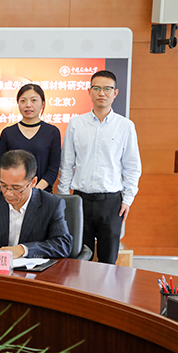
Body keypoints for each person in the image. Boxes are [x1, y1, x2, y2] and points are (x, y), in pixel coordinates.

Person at [58, 70, 142, 265]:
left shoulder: (125, 126)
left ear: (115, 92)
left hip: (111, 202)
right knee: (79, 258)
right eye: (96, 88)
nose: (101, 93)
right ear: (89, 92)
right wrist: (64, 198)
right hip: (80, 200)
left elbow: (132, 166)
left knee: (108, 260)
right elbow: (67, 163)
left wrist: (128, 199)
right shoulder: (76, 123)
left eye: (107, 89)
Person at [0, 84, 61, 192]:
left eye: (34, 100)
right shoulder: (8, 133)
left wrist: (34, 191)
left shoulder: (52, 132)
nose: (28, 105)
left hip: (42, 193)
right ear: (18, 104)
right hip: (13, 193)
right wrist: (16, 188)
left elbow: (53, 169)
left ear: (43, 104)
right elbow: (0, 167)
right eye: (23, 101)